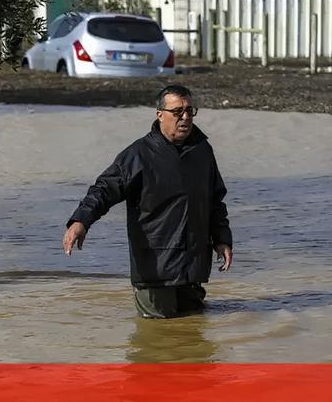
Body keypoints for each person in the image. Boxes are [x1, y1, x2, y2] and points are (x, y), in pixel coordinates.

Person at [62, 84, 233, 319]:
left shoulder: (202, 151)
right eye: (177, 112)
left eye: (189, 111)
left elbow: (215, 201)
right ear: (160, 114)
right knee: (155, 336)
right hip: (155, 271)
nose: (185, 117)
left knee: (194, 333)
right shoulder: (139, 154)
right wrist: (81, 221)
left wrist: (222, 239)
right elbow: (104, 190)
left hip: (193, 269)